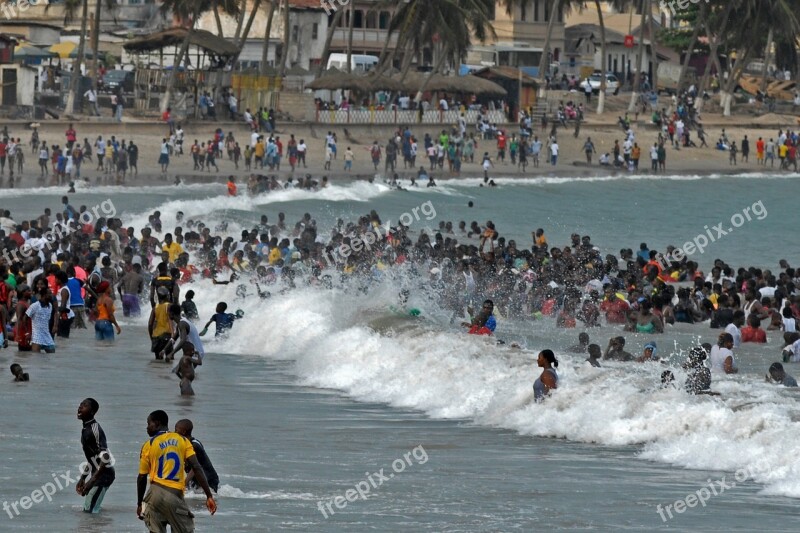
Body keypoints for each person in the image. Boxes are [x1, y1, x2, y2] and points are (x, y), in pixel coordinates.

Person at [137, 410, 217, 532]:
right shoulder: (183, 440)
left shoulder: (148, 445)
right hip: (173, 495)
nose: (147, 427)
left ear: (157, 423)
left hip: (153, 496)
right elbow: (196, 467)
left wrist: (139, 504)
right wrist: (209, 496)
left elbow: (142, 477)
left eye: (149, 423)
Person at [76, 398, 115, 514]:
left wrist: (91, 481)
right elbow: (93, 458)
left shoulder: (94, 429)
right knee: (91, 509)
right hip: (97, 476)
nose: (80, 407)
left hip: (103, 476)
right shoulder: (85, 429)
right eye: (80, 405)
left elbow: (105, 458)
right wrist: (83, 478)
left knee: (89, 512)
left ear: (92, 411)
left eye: (84, 405)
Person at [175, 419, 220, 493]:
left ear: (183, 432)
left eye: (176, 430)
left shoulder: (195, 445)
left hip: (209, 481)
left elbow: (194, 468)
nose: (175, 432)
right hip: (196, 480)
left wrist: (183, 485)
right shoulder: (185, 444)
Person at [149, 287, 174, 360]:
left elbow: (150, 324)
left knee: (158, 359)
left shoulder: (155, 307)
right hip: (166, 335)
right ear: (167, 296)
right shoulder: (169, 306)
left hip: (156, 336)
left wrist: (151, 336)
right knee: (170, 358)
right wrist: (173, 334)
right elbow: (170, 320)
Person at [26, 288, 55, 353]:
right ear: (44, 295)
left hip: (46, 334)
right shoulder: (35, 305)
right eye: (49, 293)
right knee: (36, 357)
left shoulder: (50, 306)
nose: (51, 295)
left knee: (52, 355)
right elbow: (25, 318)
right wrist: (28, 332)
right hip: (36, 335)